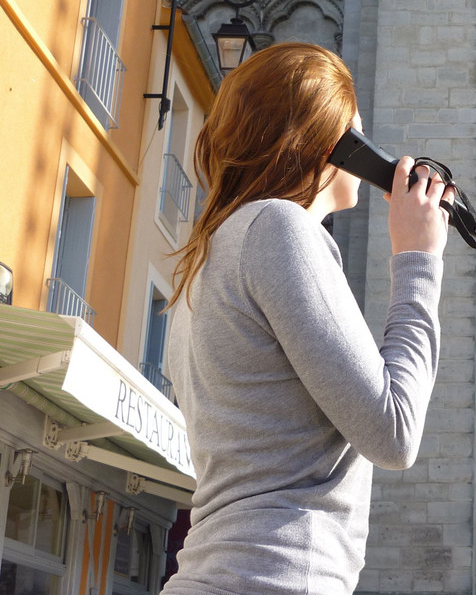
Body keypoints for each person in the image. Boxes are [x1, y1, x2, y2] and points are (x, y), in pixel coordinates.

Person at [162, 43, 454, 595]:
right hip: (270, 577)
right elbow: (394, 432)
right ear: (331, 145)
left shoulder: (210, 255)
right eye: (357, 130)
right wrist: (418, 259)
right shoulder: (279, 229)